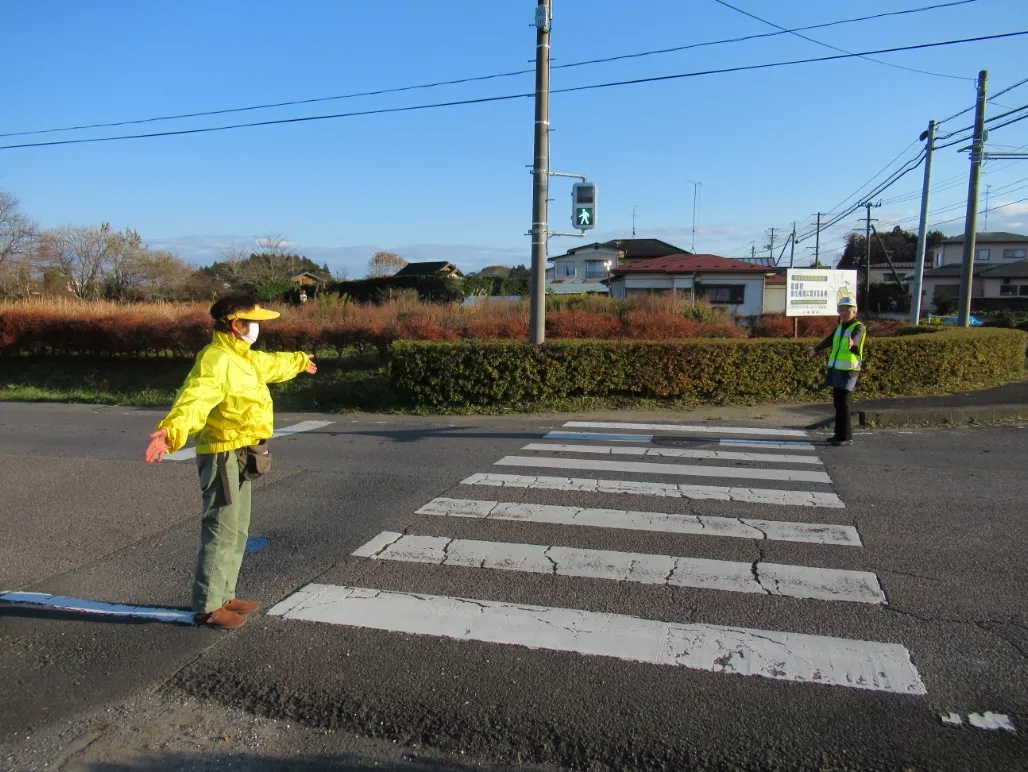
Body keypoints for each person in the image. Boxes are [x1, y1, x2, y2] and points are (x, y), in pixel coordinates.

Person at [144, 294, 317, 629]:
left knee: (237, 529)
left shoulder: (243, 358)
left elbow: (271, 365)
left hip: (244, 449)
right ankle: (208, 606)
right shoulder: (216, 359)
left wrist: (298, 361)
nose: (258, 329)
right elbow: (195, 397)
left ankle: (224, 595)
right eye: (253, 323)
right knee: (221, 528)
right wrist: (171, 431)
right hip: (222, 452)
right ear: (236, 325)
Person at [809, 297, 866, 447]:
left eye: (846, 309)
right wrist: (816, 349)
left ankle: (846, 437)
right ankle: (838, 434)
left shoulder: (858, 326)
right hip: (837, 368)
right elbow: (830, 339)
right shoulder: (840, 326)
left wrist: (853, 343)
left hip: (849, 370)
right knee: (838, 402)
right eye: (840, 309)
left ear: (854, 311)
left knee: (843, 402)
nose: (843, 312)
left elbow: (856, 339)